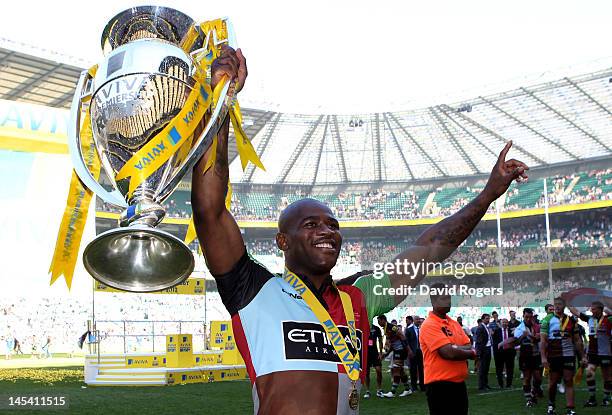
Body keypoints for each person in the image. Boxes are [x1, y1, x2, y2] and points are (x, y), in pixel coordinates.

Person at [191, 44, 529, 415]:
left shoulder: (359, 299)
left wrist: (488, 195)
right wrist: (220, 102)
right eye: (311, 224)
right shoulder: (253, 289)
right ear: (282, 241)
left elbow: (432, 246)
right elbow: (210, 210)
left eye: (333, 225)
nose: (328, 231)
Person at [419, 283, 476, 415]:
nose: (448, 302)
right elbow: (448, 353)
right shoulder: (429, 325)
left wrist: (455, 348)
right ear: (434, 301)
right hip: (439, 387)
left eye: (449, 298)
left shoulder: (454, 323)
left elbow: (468, 344)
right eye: (444, 298)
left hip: (458, 384)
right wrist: (470, 353)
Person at [540, 297, 586, 415]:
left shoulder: (571, 321)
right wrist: (543, 358)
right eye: (556, 304)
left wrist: (583, 356)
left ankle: (570, 409)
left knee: (568, 380)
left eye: (560, 304)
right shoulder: (547, 320)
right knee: (553, 382)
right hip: (553, 356)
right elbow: (543, 341)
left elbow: (577, 340)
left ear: (564, 305)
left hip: (568, 355)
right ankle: (551, 406)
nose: (557, 306)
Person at [568, 300, 611, 407]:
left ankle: (606, 398)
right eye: (591, 309)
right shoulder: (589, 319)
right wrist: (568, 302)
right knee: (589, 373)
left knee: (607, 378)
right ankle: (592, 398)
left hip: (606, 353)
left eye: (594, 308)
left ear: (600, 309)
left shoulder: (608, 319)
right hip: (593, 354)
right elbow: (576, 312)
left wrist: (608, 309)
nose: (591, 310)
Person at [513, 308, 544, 407]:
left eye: (530, 317)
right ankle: (529, 399)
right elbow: (516, 342)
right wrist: (523, 336)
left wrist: (534, 336)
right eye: (526, 317)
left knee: (538, 378)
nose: (528, 319)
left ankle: (534, 393)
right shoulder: (519, 328)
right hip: (525, 356)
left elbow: (539, 339)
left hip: (536, 355)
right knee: (527, 377)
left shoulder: (537, 327)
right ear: (523, 316)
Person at [378, 315, 413, 397]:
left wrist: (409, 350)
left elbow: (402, 336)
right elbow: (392, 344)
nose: (379, 323)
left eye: (379, 321)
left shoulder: (392, 327)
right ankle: (407, 389)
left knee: (396, 369)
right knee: (400, 371)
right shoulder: (386, 329)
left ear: (383, 320)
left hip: (401, 350)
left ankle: (392, 392)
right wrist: (386, 354)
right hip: (397, 350)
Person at [363, 319, 384, 399]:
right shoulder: (362, 327)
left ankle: (379, 389)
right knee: (366, 373)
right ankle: (367, 391)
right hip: (366, 353)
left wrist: (381, 352)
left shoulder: (376, 328)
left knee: (379, 370)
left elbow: (380, 340)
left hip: (375, 353)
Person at [493, 318, 515, 388]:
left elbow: (514, 341)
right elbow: (495, 343)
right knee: (499, 369)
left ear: (508, 323)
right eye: (503, 322)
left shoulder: (511, 331)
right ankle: (500, 384)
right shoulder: (497, 331)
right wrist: (496, 352)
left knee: (510, 369)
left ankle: (509, 384)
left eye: (506, 322)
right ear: (501, 323)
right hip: (499, 353)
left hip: (509, 352)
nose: (505, 324)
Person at [405, 315, 425, 392]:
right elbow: (406, 342)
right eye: (417, 319)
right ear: (413, 320)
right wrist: (409, 351)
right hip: (413, 351)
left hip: (421, 351)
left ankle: (422, 386)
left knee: (421, 369)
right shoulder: (409, 330)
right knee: (413, 369)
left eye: (419, 319)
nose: (419, 320)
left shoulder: (422, 329)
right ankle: (414, 387)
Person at [475, 313, 493, 390]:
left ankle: (485, 384)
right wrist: (480, 352)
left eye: (488, 318)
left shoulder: (486, 327)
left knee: (486, 368)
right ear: (482, 319)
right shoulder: (480, 328)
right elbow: (479, 341)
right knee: (483, 368)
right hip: (484, 349)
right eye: (486, 318)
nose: (488, 320)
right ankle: (482, 385)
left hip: (488, 348)